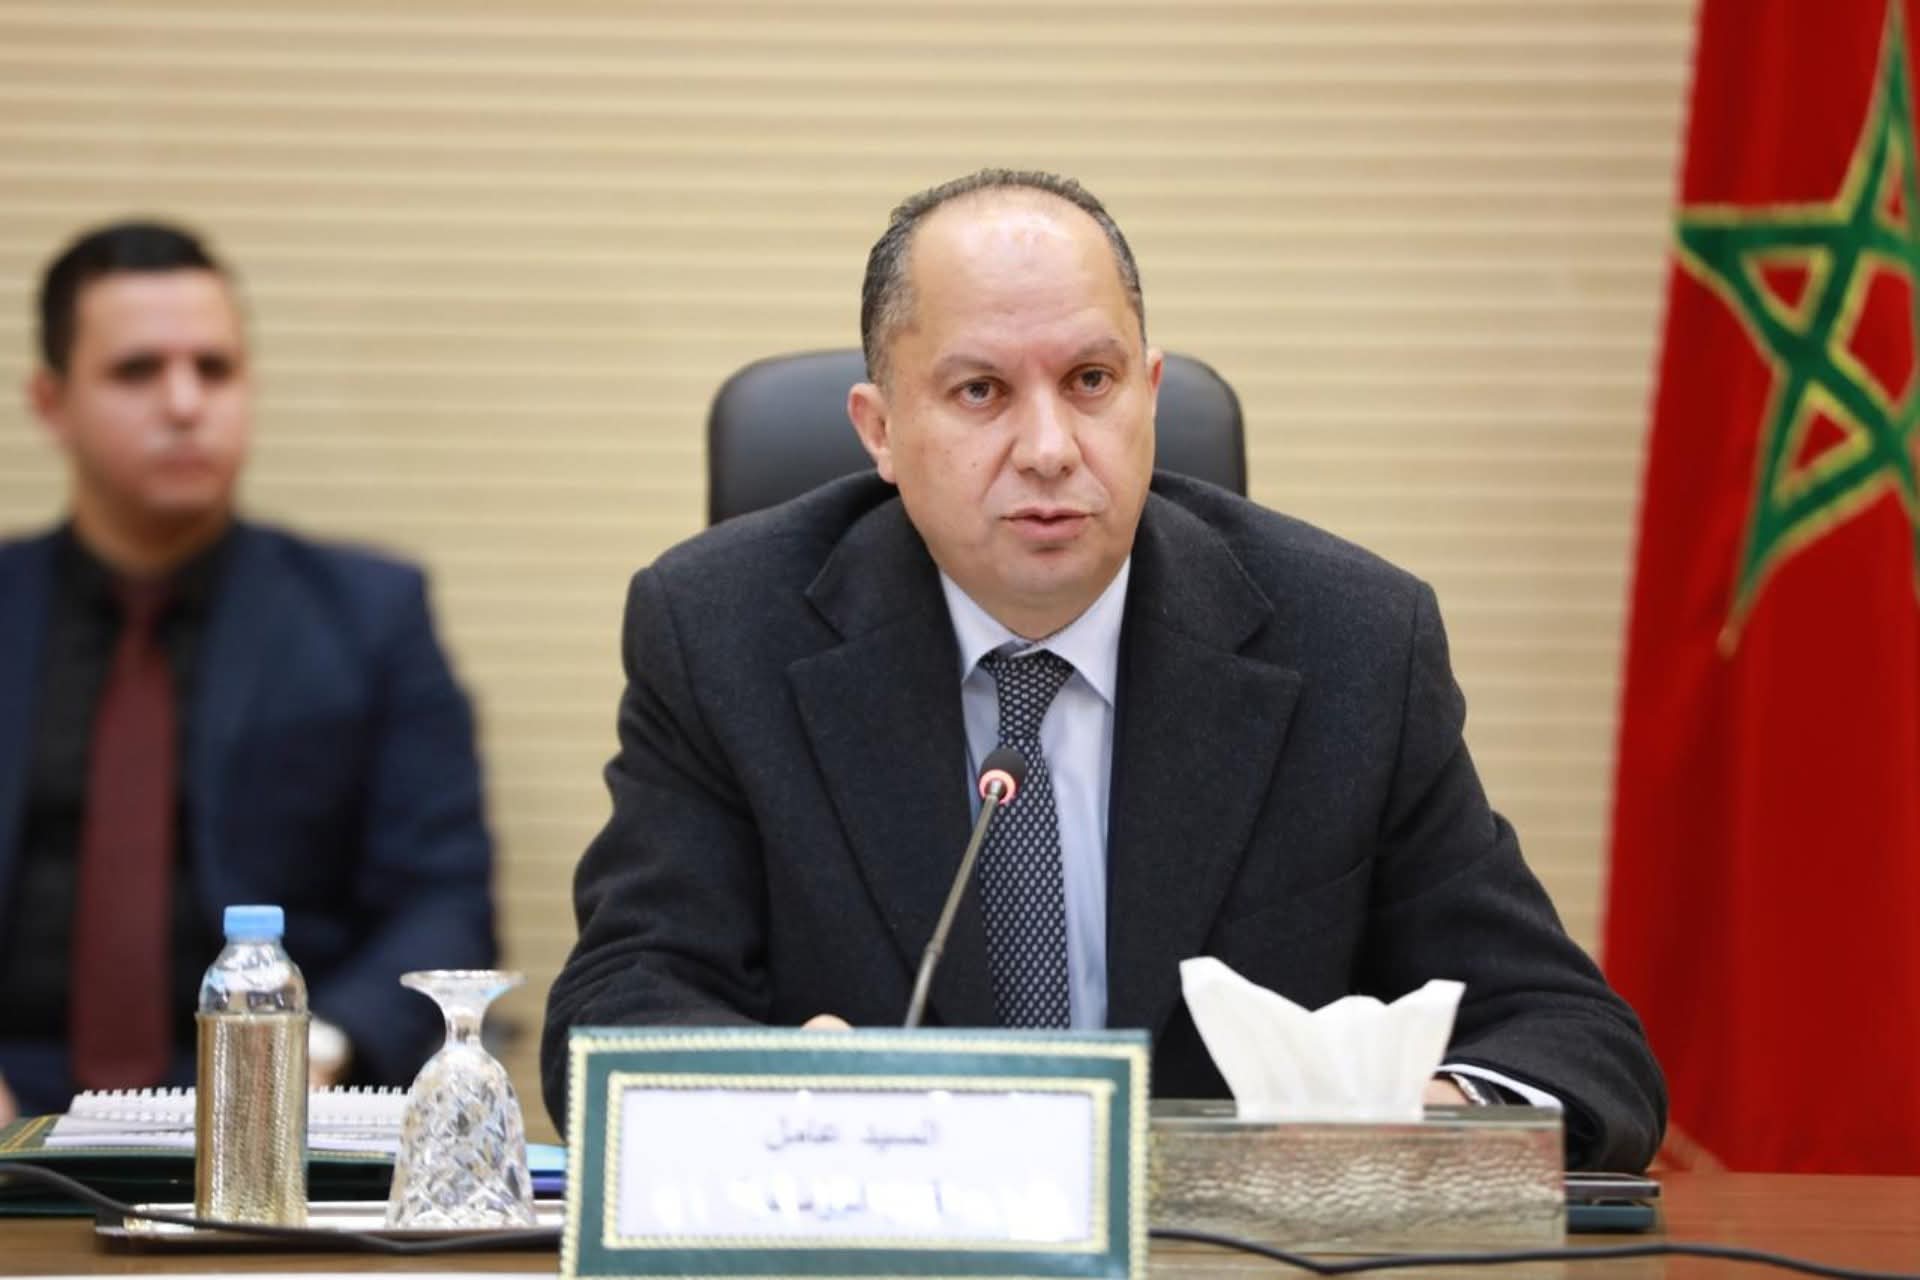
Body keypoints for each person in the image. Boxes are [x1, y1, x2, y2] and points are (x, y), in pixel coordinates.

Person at [540, 170, 1666, 1170]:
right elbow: (618, 1011)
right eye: (980, 391)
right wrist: (781, 1099)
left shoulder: (1353, 646)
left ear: (1149, 394)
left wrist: (1428, 1115)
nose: (1048, 447)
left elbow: (1572, 1034)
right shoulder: (722, 633)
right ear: (879, 431)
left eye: (1089, 380)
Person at [0, 221, 497, 1124]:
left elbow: (444, 901)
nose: (185, 402)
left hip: (282, 1111)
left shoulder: (369, 615)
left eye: (215, 368)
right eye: (137, 371)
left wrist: (320, 1052)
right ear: (51, 402)